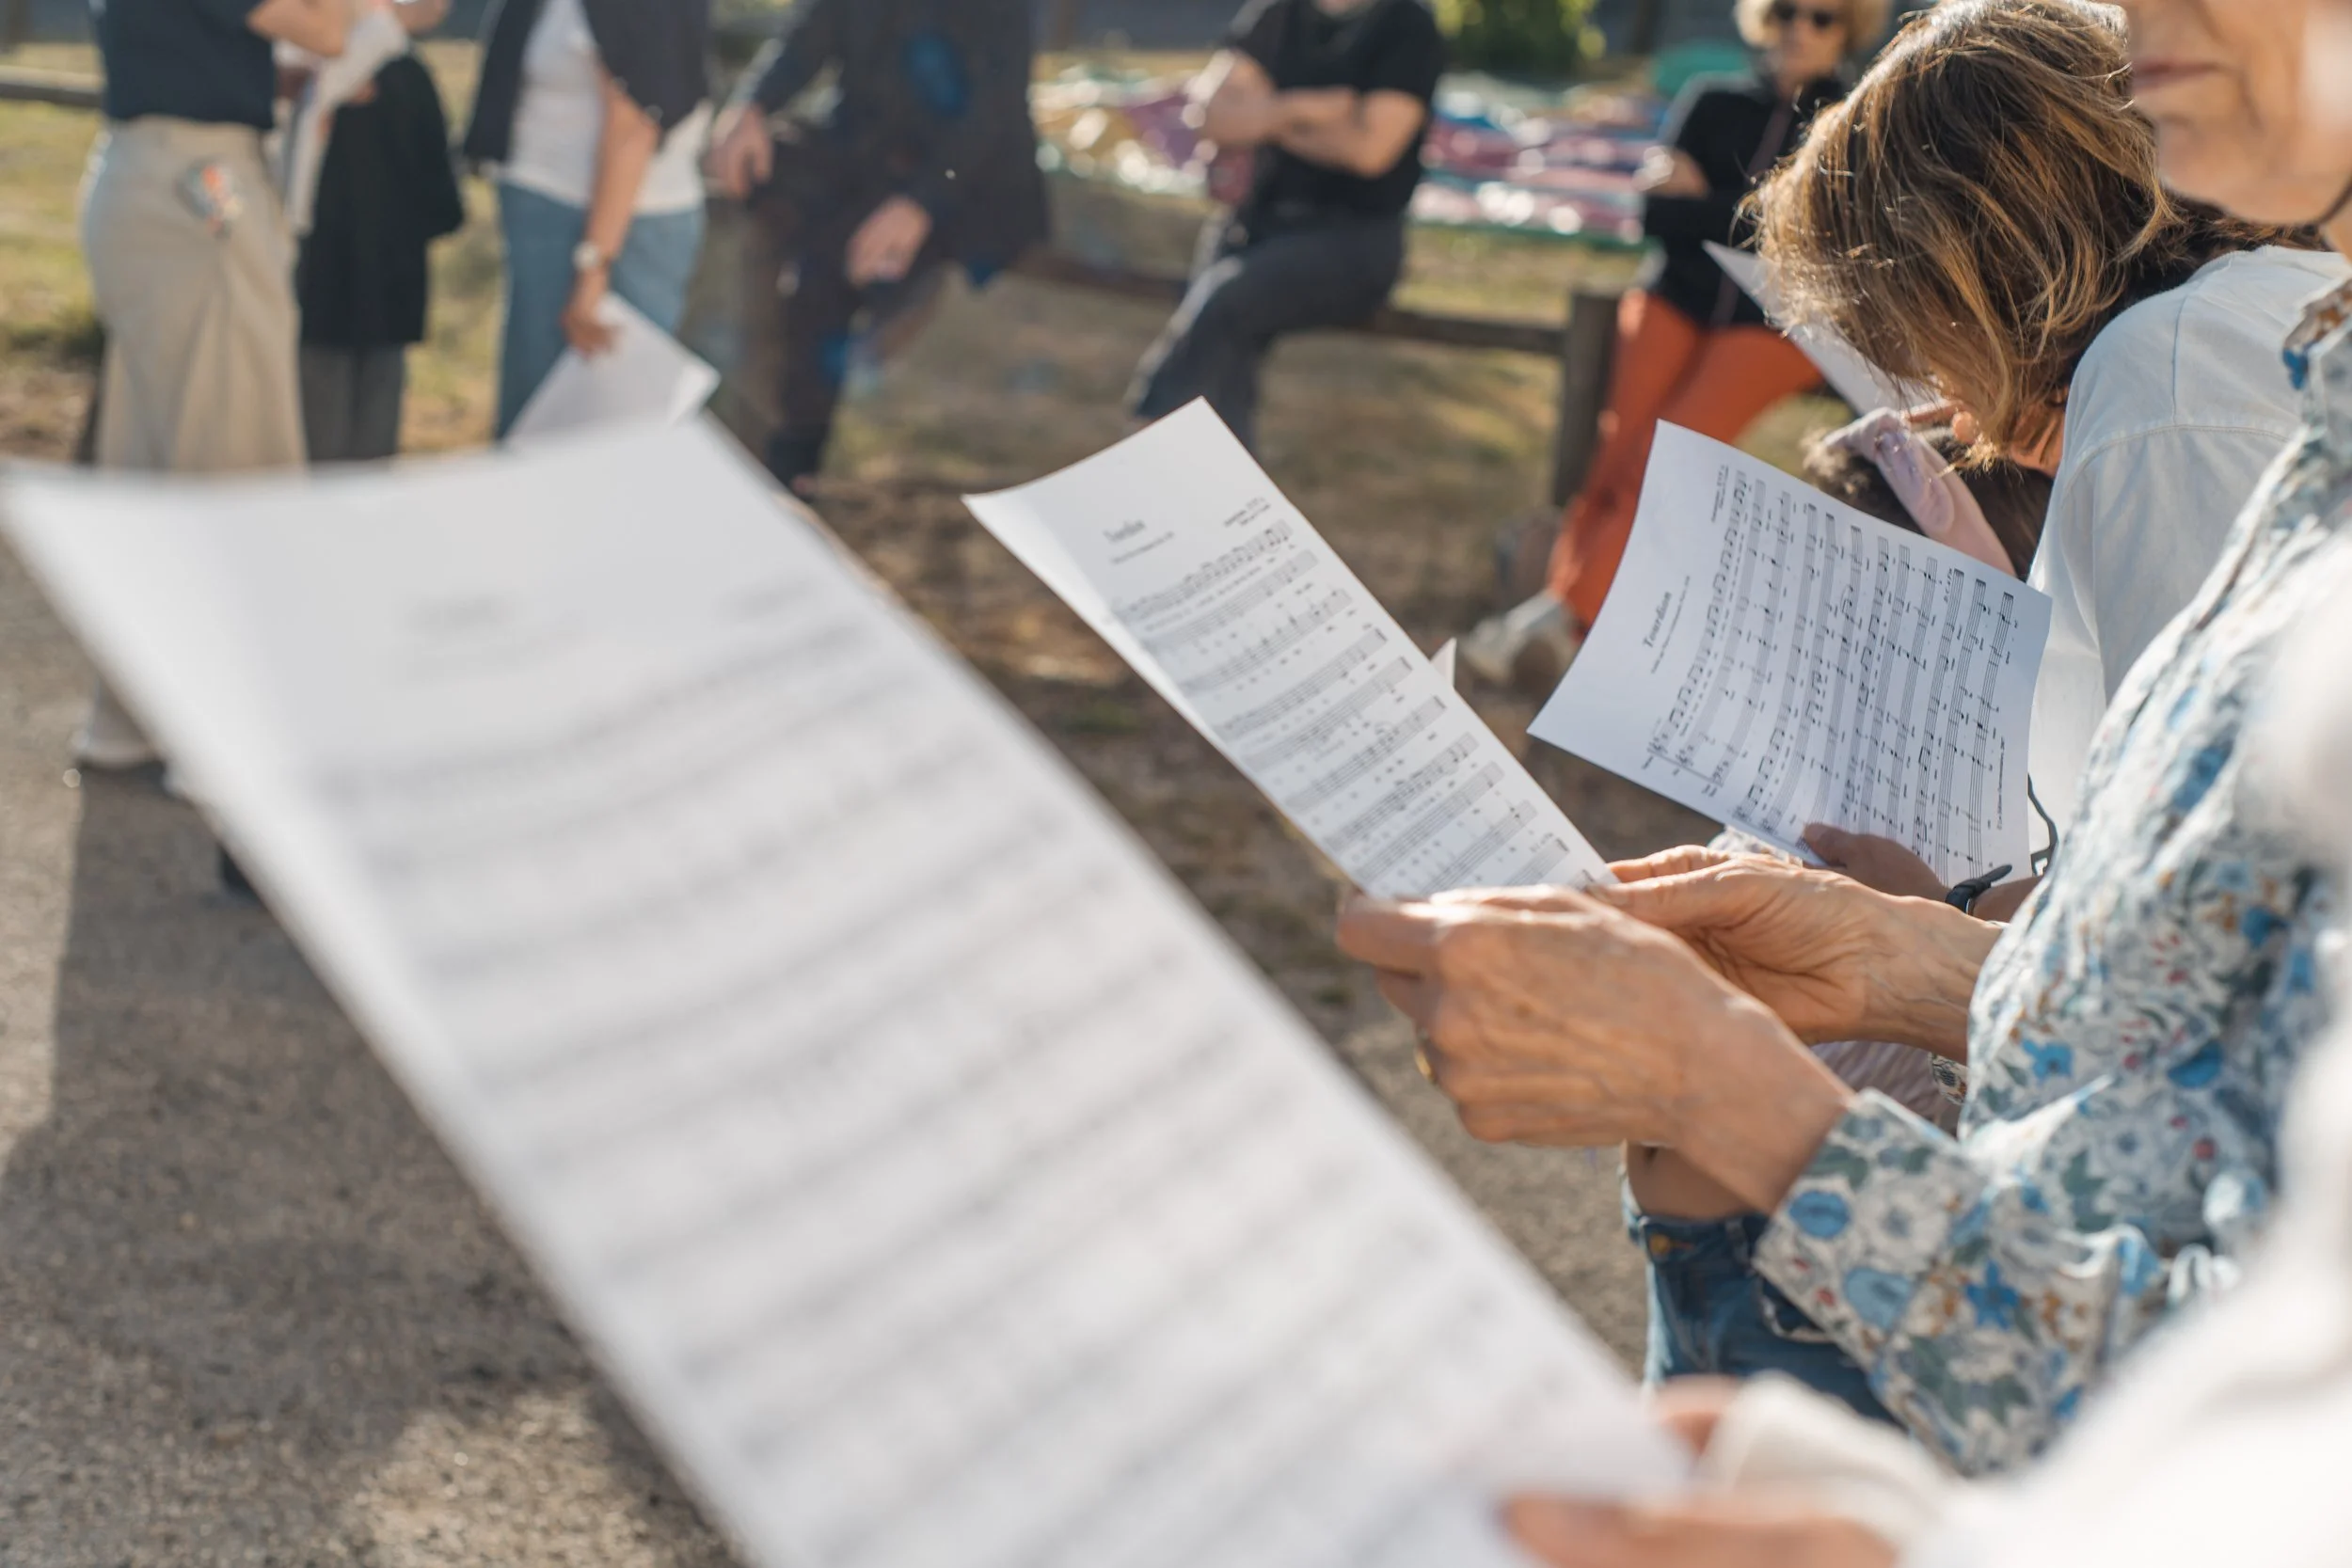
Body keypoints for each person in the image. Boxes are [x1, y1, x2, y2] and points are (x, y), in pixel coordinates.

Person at [1336, 0, 2347, 1478]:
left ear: (1976, 265)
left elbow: (2219, 1010)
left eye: (1908, 333)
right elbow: (2213, 929)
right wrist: (1911, 947)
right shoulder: (2278, 346)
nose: (1935, 403)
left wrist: (1735, 1066)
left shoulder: (2170, 373)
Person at [1461, 0, 1885, 689]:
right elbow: (1655, 213)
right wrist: (1762, 213)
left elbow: (1823, 244)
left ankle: (1559, 618)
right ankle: (1568, 624)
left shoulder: (1855, 124)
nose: (1799, 30)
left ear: (1850, 28)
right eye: (1785, 12)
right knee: (1615, 454)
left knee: (1665, 458)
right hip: (1673, 299)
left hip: (1776, 326)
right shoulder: (1711, 100)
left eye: (1822, 18)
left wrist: (1709, 204)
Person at [73, 0, 352, 771]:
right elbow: (327, 29)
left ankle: (133, 715)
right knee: (233, 462)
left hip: (153, 176)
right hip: (197, 192)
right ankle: (230, 736)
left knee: (150, 459)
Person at [704, 0, 1051, 495]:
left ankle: (806, 444)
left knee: (843, 275)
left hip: (961, 174)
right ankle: (788, 465)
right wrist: (750, 106)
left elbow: (993, 108)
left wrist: (920, 204)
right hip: (866, 152)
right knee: (805, 263)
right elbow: (806, 40)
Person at [1124, 0, 1448, 454]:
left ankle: (1149, 432)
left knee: (1223, 304)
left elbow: (1369, 152)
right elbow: (1212, 118)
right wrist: (1306, 108)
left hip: (1353, 240)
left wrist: (1263, 117)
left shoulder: (1407, 26)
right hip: (1256, 224)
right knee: (1225, 354)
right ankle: (1213, 480)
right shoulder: (1279, 12)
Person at [461, 0, 712, 438]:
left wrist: (593, 265)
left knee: (589, 429)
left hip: (610, 225)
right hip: (558, 208)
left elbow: (635, 123)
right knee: (544, 419)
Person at [295, 0, 466, 464]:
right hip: (390, 293)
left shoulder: (302, 85)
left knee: (317, 449)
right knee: (374, 449)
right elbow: (445, 206)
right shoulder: (411, 79)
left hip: (318, 292)